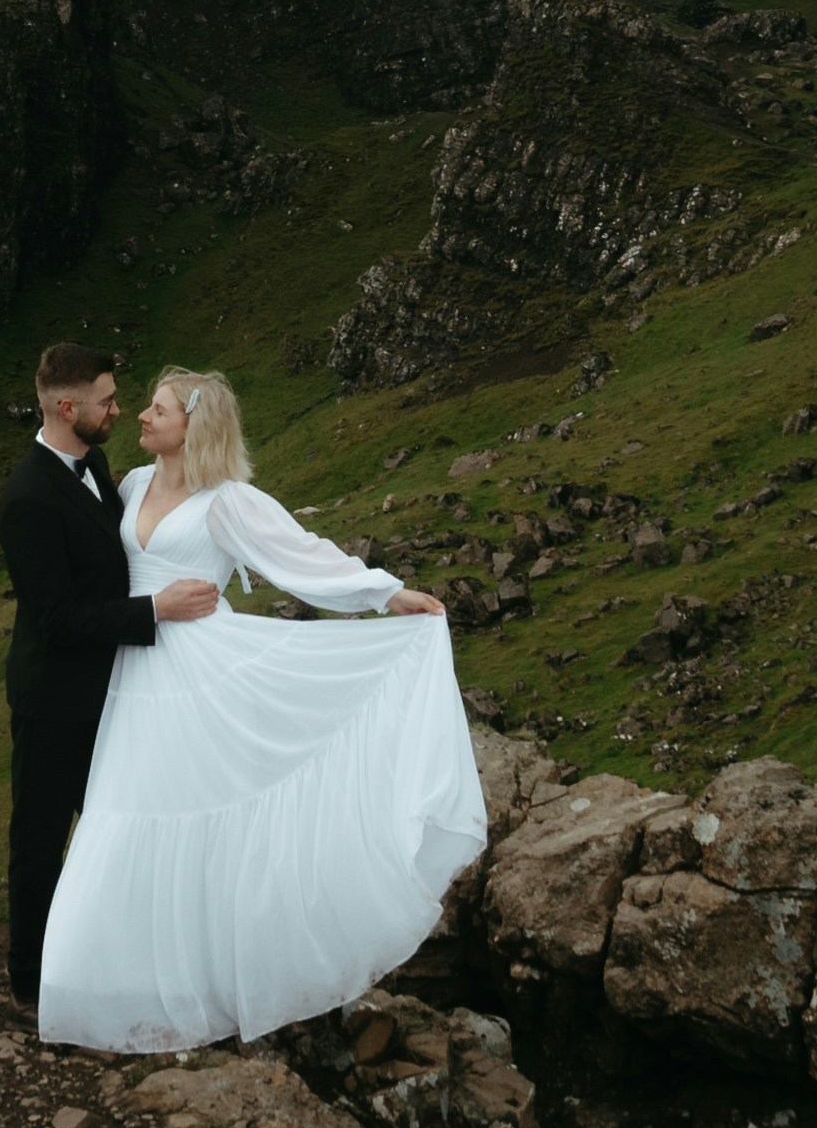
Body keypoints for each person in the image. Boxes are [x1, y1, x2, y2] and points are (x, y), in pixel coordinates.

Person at [25, 365, 488, 1057]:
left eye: (156, 409)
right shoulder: (131, 485)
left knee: (198, 815)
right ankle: (98, 986)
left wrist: (387, 594)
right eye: (143, 406)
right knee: (125, 811)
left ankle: (208, 980)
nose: (141, 418)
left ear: (192, 427)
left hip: (204, 672)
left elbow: (302, 554)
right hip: (137, 672)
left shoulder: (226, 502)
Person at [3, 341, 212, 1011]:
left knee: (117, 834)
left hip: (114, 694)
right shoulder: (27, 496)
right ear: (68, 407)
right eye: (107, 401)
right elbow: (58, 617)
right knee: (39, 843)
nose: (119, 410)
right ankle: (32, 987)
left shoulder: (93, 461)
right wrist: (155, 608)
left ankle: (109, 967)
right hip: (54, 699)